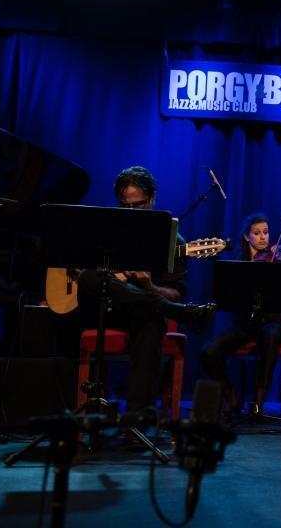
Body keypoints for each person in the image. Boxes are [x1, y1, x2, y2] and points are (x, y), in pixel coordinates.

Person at [76, 166, 216, 442]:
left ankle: (136, 424)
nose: (132, 212)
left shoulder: (174, 241)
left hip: (139, 311)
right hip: (101, 309)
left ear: (153, 198)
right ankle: (181, 315)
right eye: (125, 206)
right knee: (91, 277)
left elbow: (175, 292)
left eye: (138, 205)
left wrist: (149, 287)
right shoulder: (105, 229)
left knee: (151, 322)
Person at [200, 212, 281, 415]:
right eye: (257, 233)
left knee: (269, 334)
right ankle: (231, 397)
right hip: (246, 324)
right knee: (208, 352)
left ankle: (258, 402)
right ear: (246, 236)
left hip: (274, 322)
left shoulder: (277, 259)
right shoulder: (238, 262)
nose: (263, 237)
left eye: (266, 232)